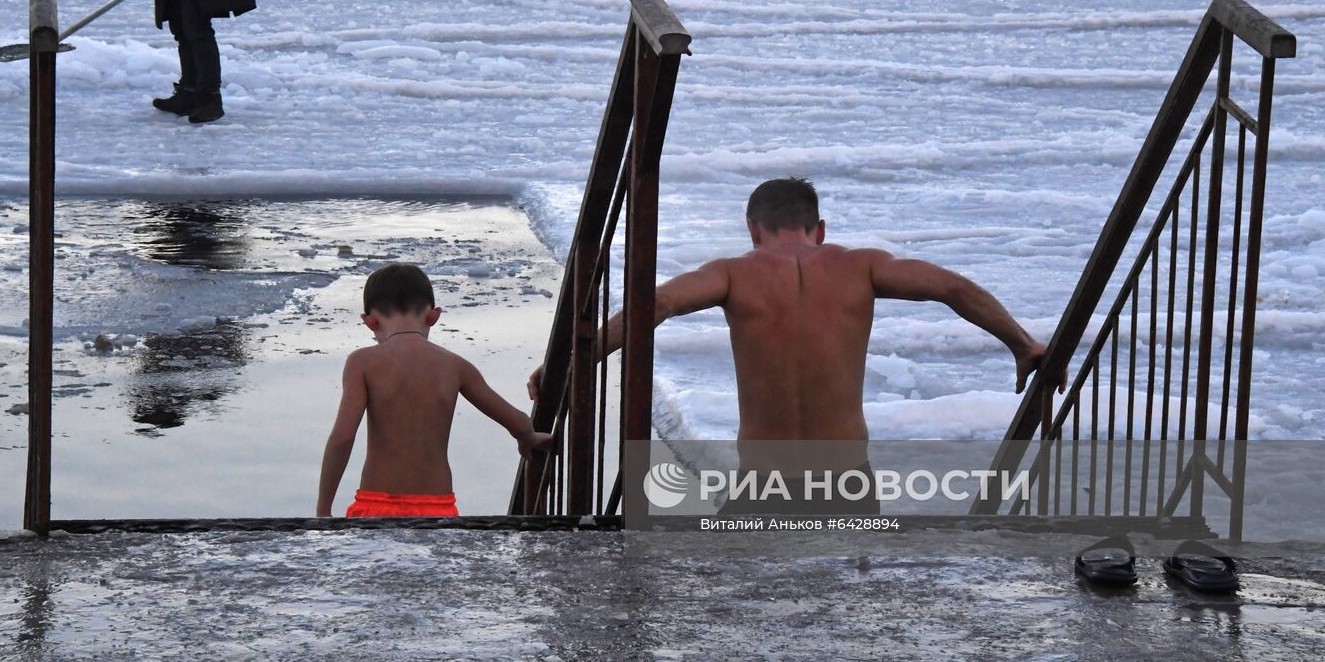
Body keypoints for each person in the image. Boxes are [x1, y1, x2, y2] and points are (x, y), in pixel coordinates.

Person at [528, 177, 1058, 514]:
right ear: (819, 227)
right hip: (847, 477)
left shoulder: (732, 274)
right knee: (847, 612)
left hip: (765, 479)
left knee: (750, 615)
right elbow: (953, 288)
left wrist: (579, 362)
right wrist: (1021, 344)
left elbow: (658, 304)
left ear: (753, 229)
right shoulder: (864, 266)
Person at [318, 263, 553, 518]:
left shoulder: (361, 362)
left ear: (369, 322)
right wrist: (528, 438)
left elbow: (342, 437)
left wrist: (323, 511)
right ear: (433, 316)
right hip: (437, 509)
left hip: (376, 507)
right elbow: (517, 422)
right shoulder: (455, 366)